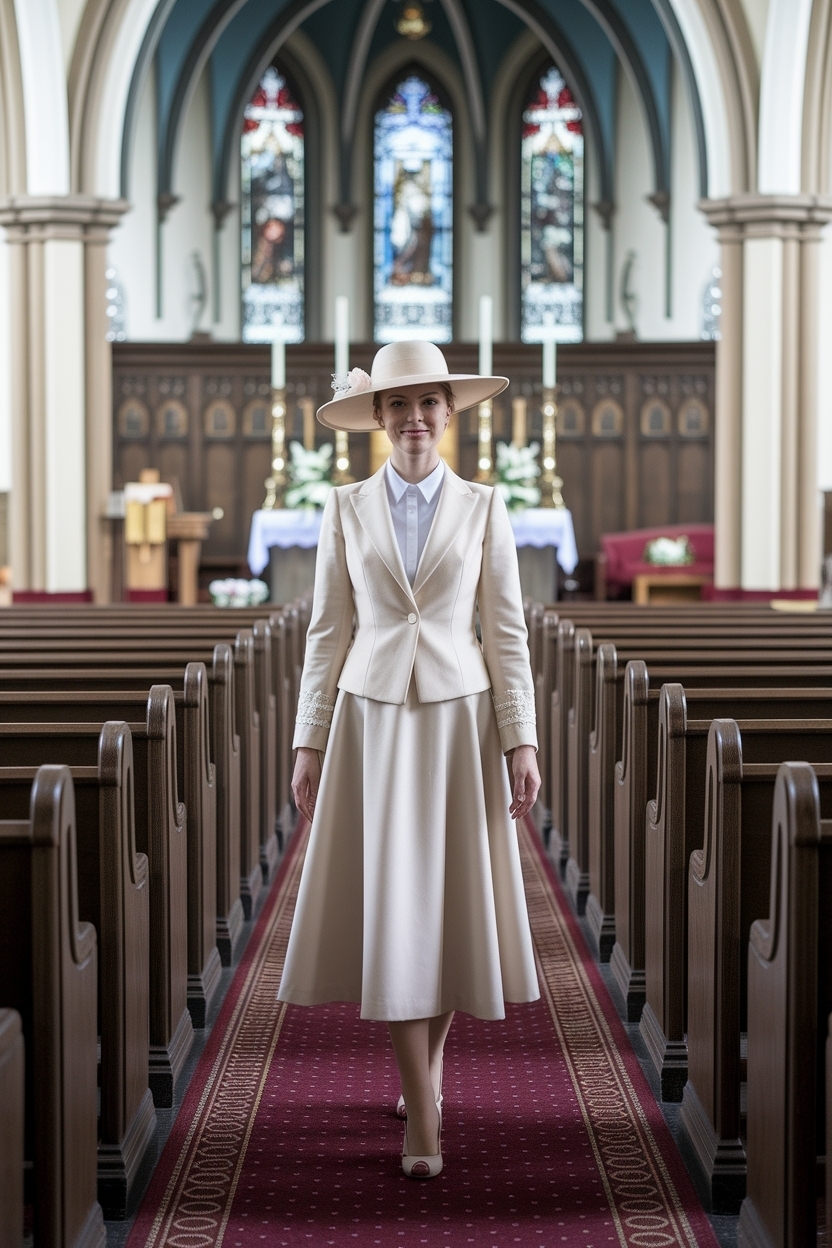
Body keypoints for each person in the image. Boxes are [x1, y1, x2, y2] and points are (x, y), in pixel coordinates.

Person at [277, 339, 541, 1180]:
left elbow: (504, 631)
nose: (416, 418)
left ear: (449, 413)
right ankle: (421, 1112)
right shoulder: (346, 506)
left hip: (462, 719)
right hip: (373, 720)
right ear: (378, 418)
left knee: (450, 900)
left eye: (430, 403)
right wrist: (307, 738)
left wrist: (521, 736)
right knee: (397, 903)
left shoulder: (485, 505)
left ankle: (422, 1081)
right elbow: (327, 633)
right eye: (400, 405)